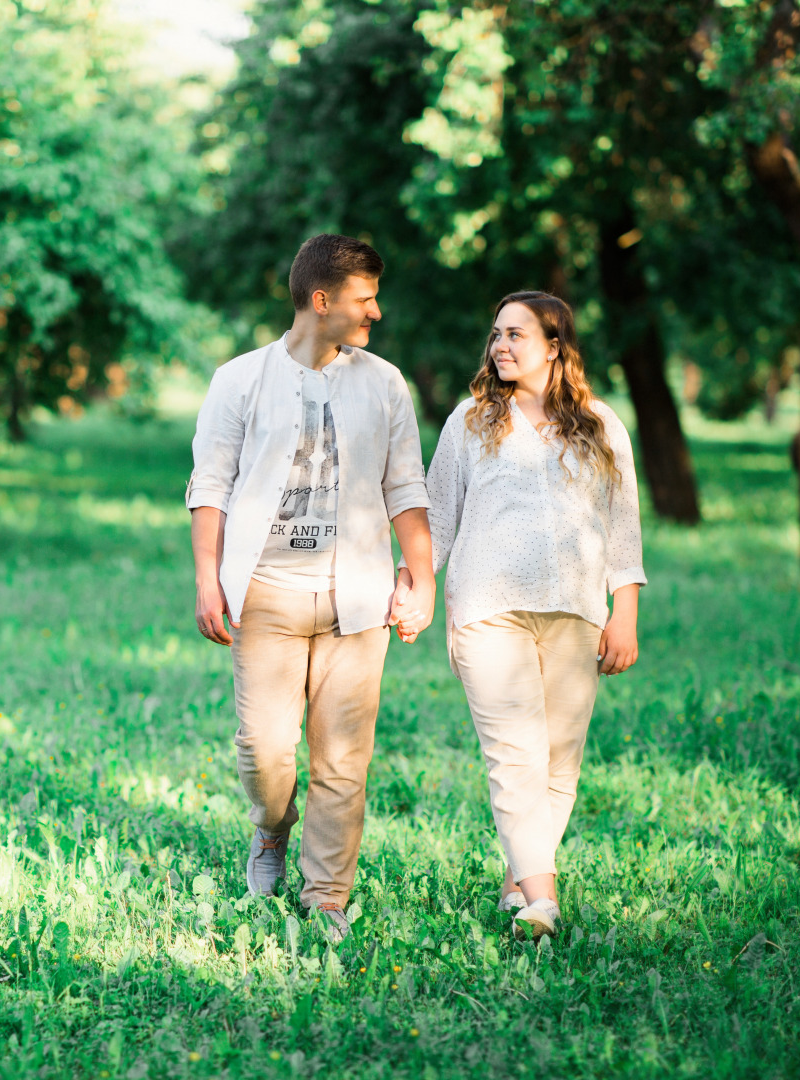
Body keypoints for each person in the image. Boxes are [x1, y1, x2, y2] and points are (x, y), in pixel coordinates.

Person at [187, 234, 435, 942]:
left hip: (356, 598)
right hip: (264, 591)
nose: (375, 313)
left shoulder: (384, 383)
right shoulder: (238, 379)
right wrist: (208, 580)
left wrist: (420, 576)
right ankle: (271, 828)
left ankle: (325, 894)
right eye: (365, 299)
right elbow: (211, 486)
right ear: (321, 302)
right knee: (264, 752)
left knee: (342, 760)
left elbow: (405, 487)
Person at [414, 290, 644, 942]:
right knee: (513, 754)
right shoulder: (468, 421)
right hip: (488, 610)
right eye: (496, 334)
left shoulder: (601, 425)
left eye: (515, 334)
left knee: (558, 763)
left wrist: (621, 612)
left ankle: (519, 880)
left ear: (554, 345)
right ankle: (543, 899)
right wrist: (413, 589)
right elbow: (435, 520)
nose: (500, 346)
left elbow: (621, 530)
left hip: (575, 611)